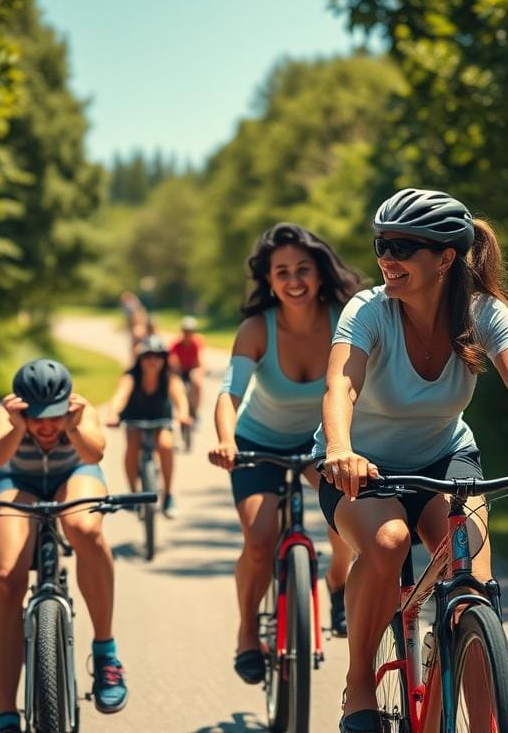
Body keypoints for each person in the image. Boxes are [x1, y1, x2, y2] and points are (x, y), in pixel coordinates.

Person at [313, 189, 508, 733]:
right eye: (381, 243)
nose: (386, 258)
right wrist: (339, 451)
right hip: (361, 467)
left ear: (446, 257)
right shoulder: (368, 310)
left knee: (472, 588)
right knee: (389, 543)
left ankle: (482, 719)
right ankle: (358, 686)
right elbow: (340, 386)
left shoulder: (482, 312)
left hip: (448, 458)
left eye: (402, 246)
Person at [208, 223, 366, 685]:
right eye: (282, 272)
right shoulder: (257, 329)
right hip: (258, 443)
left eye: (303, 269)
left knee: (348, 521)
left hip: (324, 441)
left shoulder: (346, 318)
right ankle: (245, 633)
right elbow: (228, 393)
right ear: (269, 280)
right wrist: (226, 439)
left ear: (319, 273)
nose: (294, 281)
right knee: (259, 542)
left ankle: (337, 580)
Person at [0, 358, 129, 733]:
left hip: (74, 473)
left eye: (55, 415)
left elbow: (94, 454)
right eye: (37, 417)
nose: (47, 426)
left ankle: (105, 653)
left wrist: (75, 426)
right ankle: (5, 717)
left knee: (84, 528)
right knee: (6, 579)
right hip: (18, 480)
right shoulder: (4, 414)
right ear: (20, 407)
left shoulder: (82, 413)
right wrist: (17, 428)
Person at [106, 335, 192, 518]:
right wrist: (113, 414)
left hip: (161, 419)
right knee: (132, 445)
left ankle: (168, 495)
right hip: (134, 419)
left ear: (164, 359)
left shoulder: (169, 377)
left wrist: (183, 414)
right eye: (148, 356)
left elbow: (180, 398)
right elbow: (120, 397)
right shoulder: (131, 377)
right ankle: (133, 494)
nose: (153, 360)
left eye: (158, 356)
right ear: (140, 359)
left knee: (166, 445)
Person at [169, 315, 205, 421]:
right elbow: (172, 360)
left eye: (190, 331)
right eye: (185, 331)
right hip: (180, 370)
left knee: (197, 383)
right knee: (175, 385)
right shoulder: (176, 344)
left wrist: (200, 371)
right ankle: (179, 410)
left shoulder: (197, 342)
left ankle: (195, 412)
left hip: (192, 369)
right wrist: (175, 369)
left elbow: (201, 360)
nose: (188, 334)